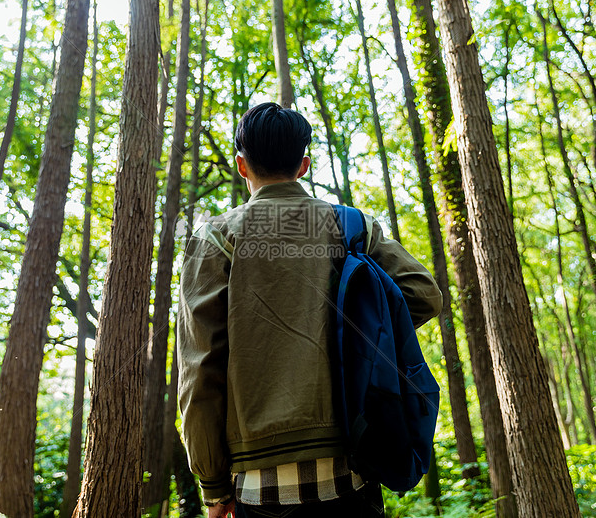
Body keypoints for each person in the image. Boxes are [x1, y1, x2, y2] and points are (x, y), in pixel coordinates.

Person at [177, 102, 442, 518]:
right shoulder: (351, 226)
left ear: (242, 166)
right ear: (303, 165)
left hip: (258, 486)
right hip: (352, 466)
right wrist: (357, 331)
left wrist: (212, 483)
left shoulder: (215, 239)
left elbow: (199, 370)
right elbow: (423, 293)